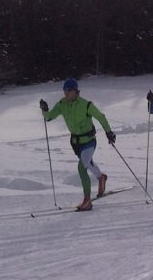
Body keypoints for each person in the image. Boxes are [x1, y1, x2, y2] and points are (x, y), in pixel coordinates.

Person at [39, 78, 116, 211]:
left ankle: (87, 201)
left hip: (89, 142)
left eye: (68, 91)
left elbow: (101, 117)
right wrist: (45, 110)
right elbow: (49, 117)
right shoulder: (62, 104)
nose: (66, 94)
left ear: (75, 91)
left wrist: (109, 132)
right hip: (75, 143)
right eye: (64, 91)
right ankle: (101, 177)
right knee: (88, 162)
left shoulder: (86, 105)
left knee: (82, 167)